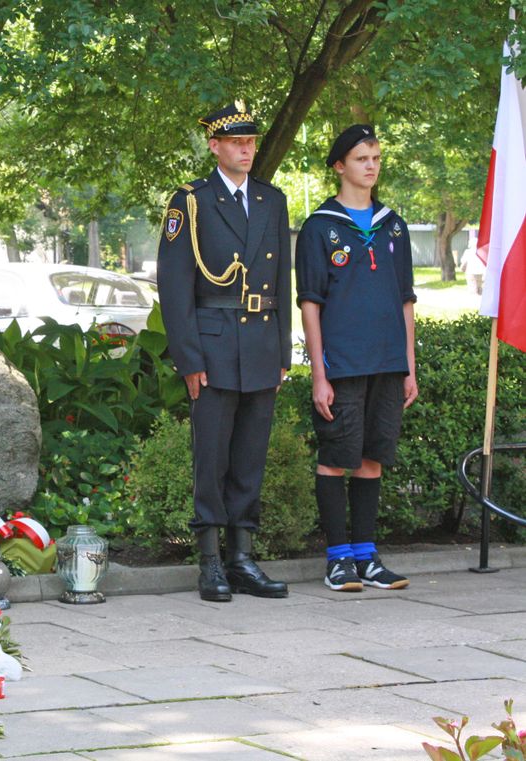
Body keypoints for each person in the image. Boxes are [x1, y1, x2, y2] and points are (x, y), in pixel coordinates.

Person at [156, 102, 292, 602]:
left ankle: (242, 559)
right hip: (213, 345)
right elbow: (174, 286)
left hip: (260, 343)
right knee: (211, 458)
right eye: (236, 142)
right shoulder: (191, 201)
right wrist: (188, 359)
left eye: (250, 142)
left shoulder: (271, 199)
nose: (246, 149)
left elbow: (282, 280)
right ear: (214, 146)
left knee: (250, 457)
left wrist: (283, 352)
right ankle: (210, 560)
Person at [296, 124, 417, 592]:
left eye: (376, 158)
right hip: (343, 365)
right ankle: (338, 559)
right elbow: (310, 304)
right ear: (339, 166)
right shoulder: (319, 227)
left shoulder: (394, 225)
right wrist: (318, 374)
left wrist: (408, 366)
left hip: (387, 362)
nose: (371, 166)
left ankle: (366, 556)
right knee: (336, 457)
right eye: (362, 158)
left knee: (372, 458)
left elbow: (405, 299)